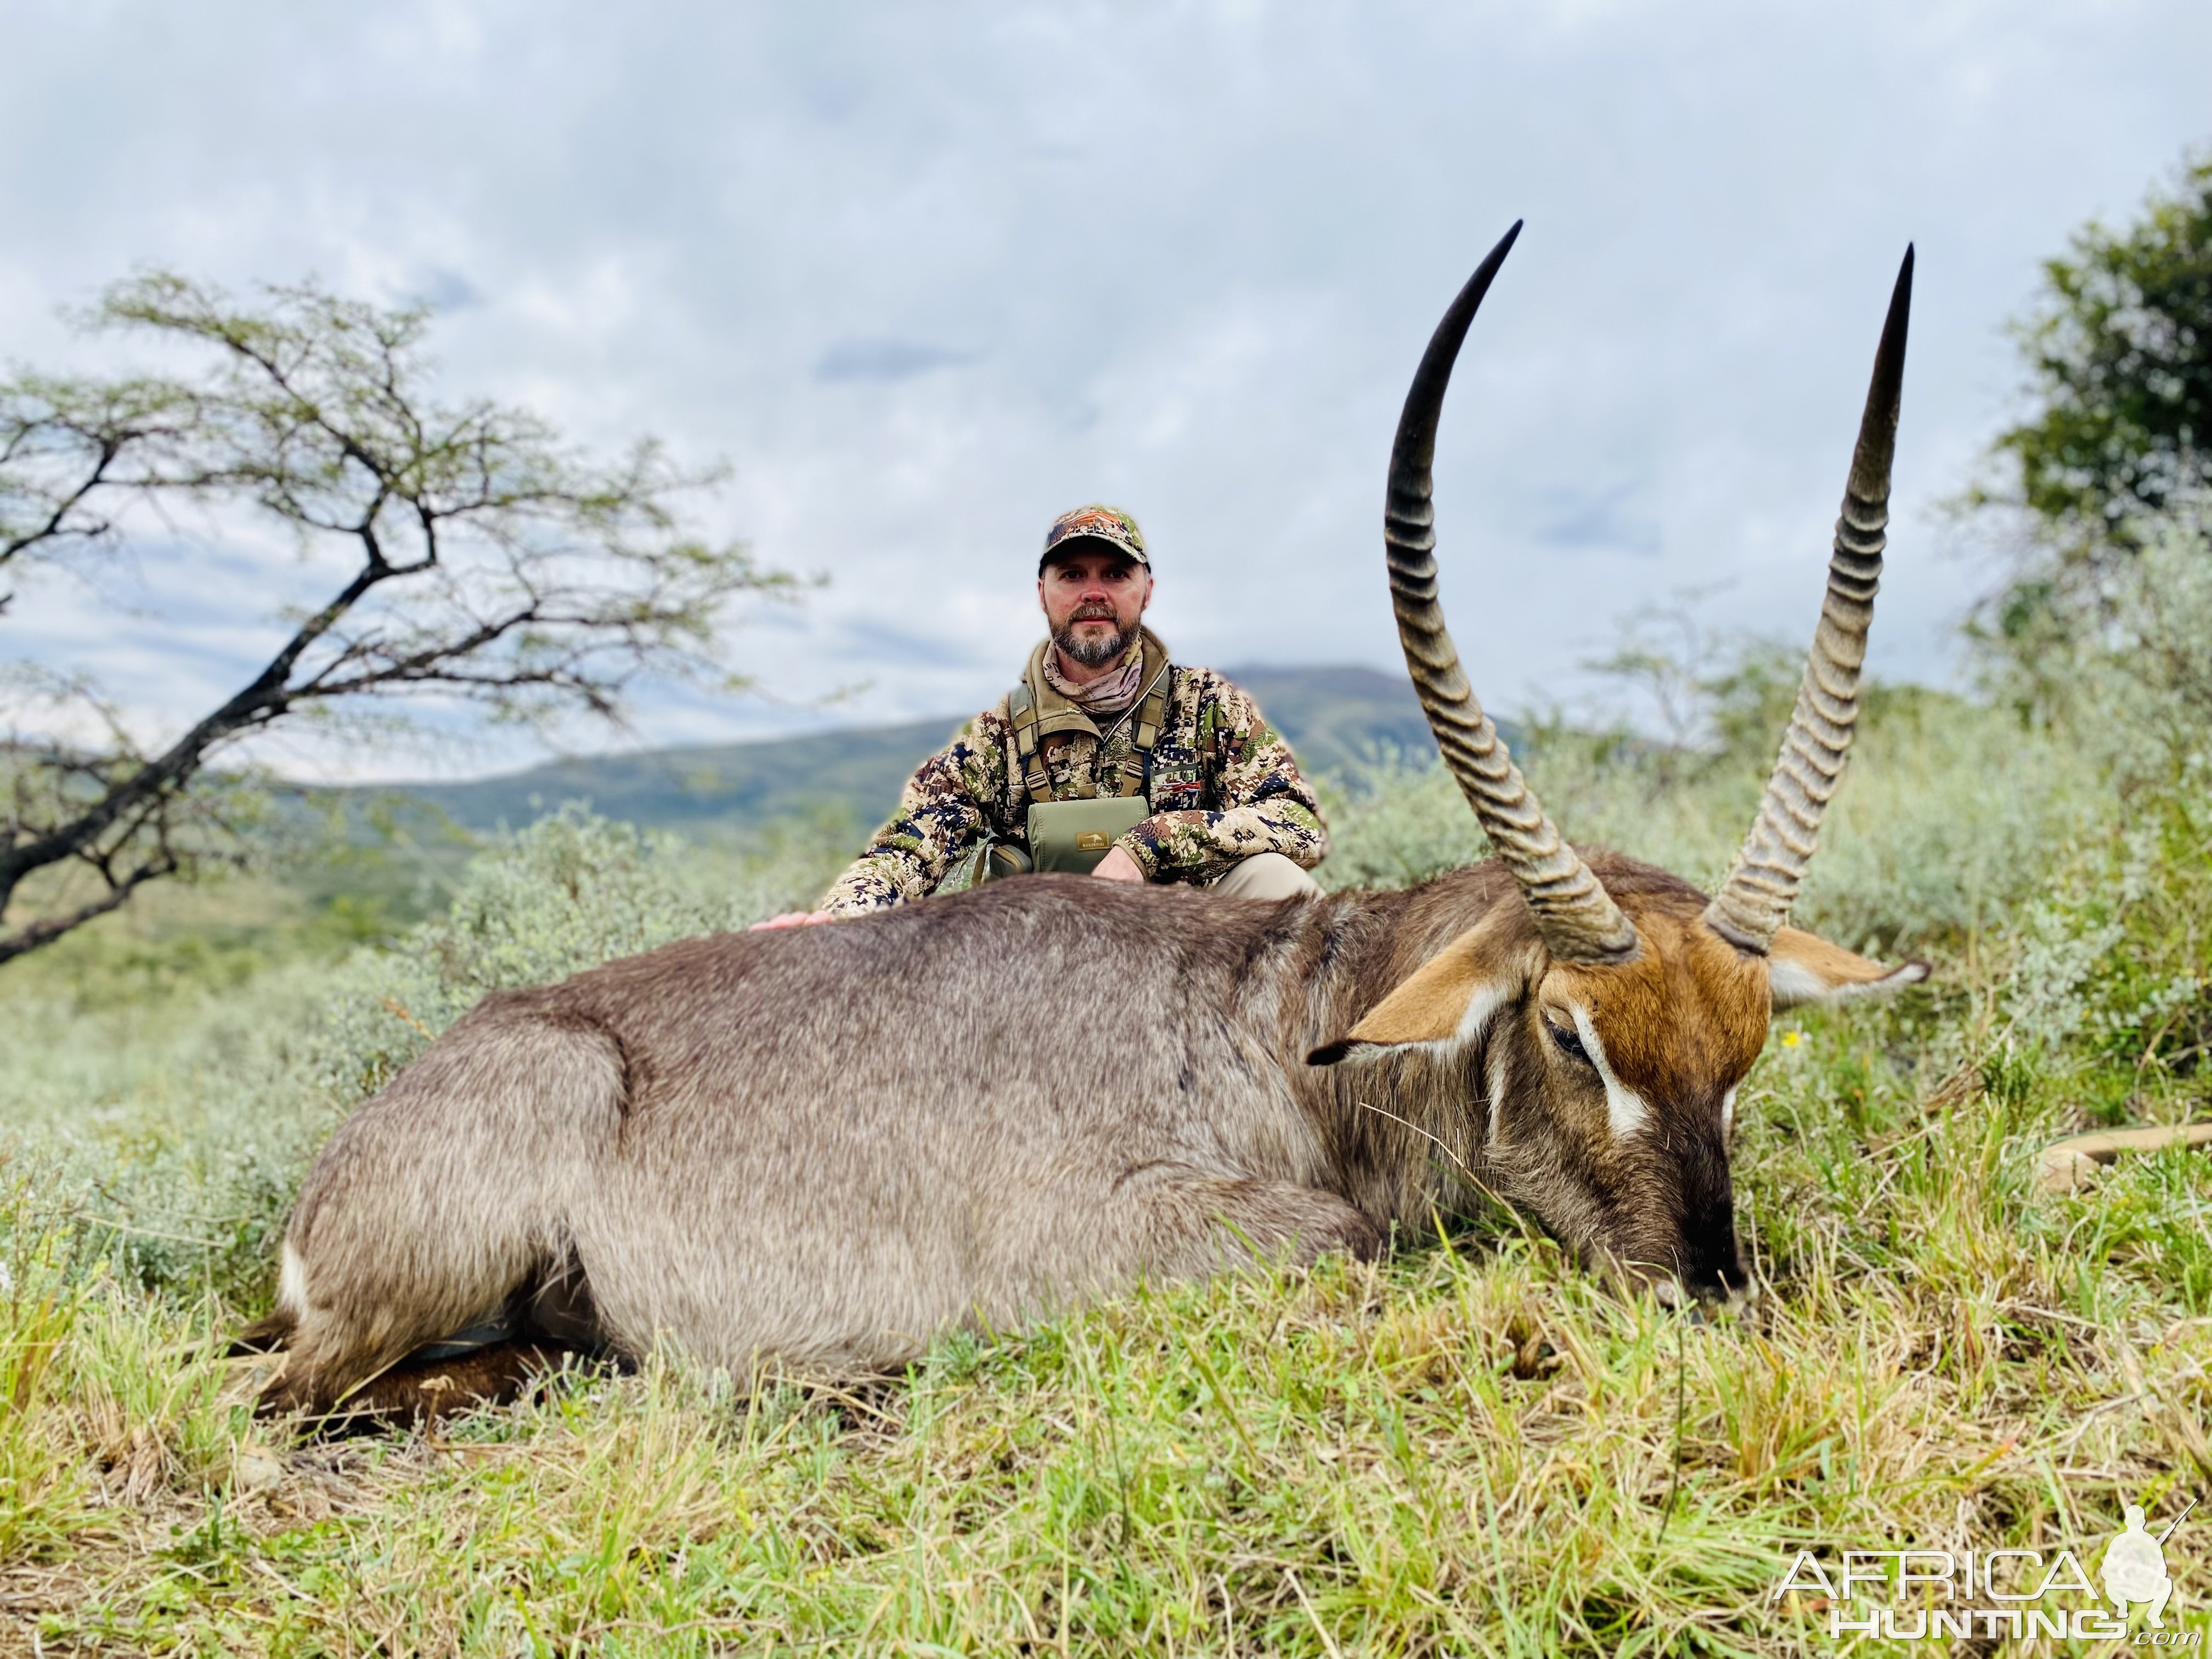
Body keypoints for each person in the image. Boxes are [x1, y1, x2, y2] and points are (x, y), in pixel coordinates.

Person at [754, 504, 1327, 928]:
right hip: (1044, 969)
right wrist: (837, 922)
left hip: (1193, 947)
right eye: (1073, 575)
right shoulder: (997, 737)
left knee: (1281, 883)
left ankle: (1318, 1076)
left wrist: (1154, 842)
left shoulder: (1208, 704)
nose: (1093, 593)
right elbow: (912, 846)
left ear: (1147, 591)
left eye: (1115, 574)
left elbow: (1298, 823)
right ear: (1043, 592)